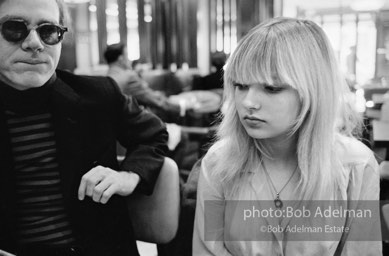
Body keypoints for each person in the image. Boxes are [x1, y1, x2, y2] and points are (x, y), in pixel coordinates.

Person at [193, 17, 382, 255]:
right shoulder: (219, 162)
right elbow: (206, 251)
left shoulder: (356, 165)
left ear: (312, 90)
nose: (247, 103)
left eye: (271, 88)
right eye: (240, 85)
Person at [0, 0, 168, 255]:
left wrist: (128, 176)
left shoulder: (99, 95)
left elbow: (154, 135)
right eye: (14, 28)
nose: (34, 43)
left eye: (48, 31)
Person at [104, 43, 183, 123]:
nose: (129, 59)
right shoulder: (129, 77)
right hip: (132, 127)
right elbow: (154, 100)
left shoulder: (105, 79)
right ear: (121, 59)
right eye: (127, 55)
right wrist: (181, 107)